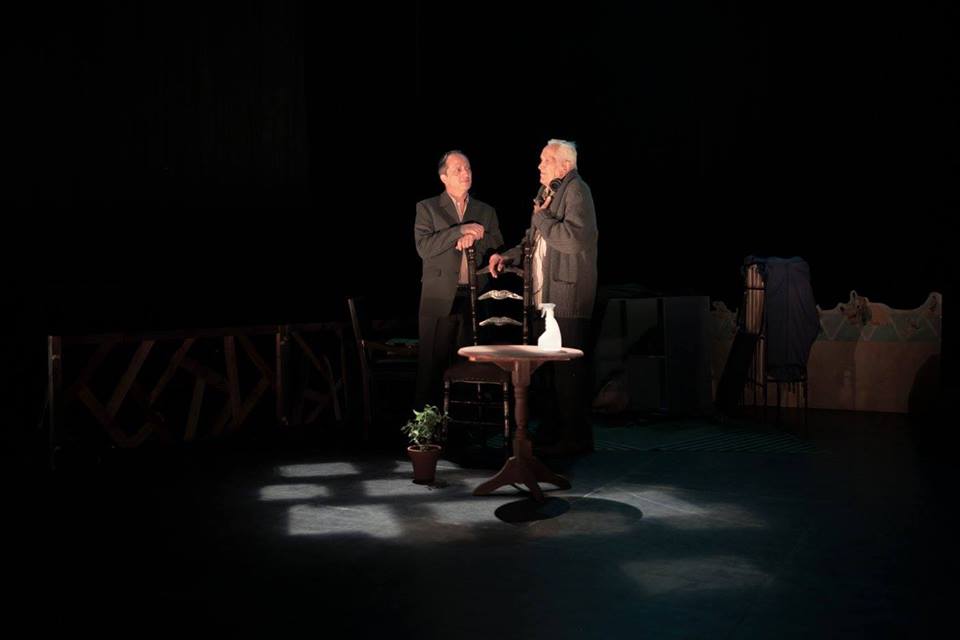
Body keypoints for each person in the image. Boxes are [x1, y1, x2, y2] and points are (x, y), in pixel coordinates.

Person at [489, 139, 598, 455]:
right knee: (548, 373)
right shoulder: (547, 193)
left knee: (567, 375)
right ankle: (553, 433)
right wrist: (507, 256)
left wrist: (541, 218)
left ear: (565, 165)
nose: (539, 166)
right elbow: (533, 240)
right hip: (544, 297)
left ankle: (575, 439)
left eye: (545, 160)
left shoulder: (577, 191)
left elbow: (573, 239)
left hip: (567, 296)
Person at [414, 150, 503, 409]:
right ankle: (427, 427)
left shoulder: (485, 210)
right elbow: (424, 247)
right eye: (458, 170)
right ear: (443, 177)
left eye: (468, 169)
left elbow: (497, 242)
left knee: (468, 365)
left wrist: (474, 237)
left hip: (474, 296)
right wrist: (459, 231)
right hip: (439, 296)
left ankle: (464, 425)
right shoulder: (427, 207)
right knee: (432, 366)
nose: (466, 174)